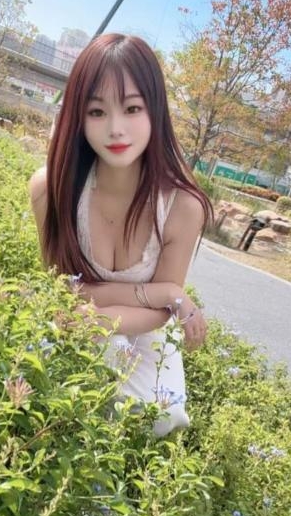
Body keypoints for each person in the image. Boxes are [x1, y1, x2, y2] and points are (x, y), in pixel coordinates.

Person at [30, 33, 213, 437]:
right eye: (97, 112)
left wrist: (102, 320)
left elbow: (158, 314)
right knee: (56, 397)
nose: (116, 129)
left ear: (155, 110)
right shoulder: (50, 189)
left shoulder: (182, 206)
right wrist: (167, 293)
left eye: (132, 108)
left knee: (160, 417)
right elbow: (64, 290)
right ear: (78, 118)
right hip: (74, 319)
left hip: (142, 326)